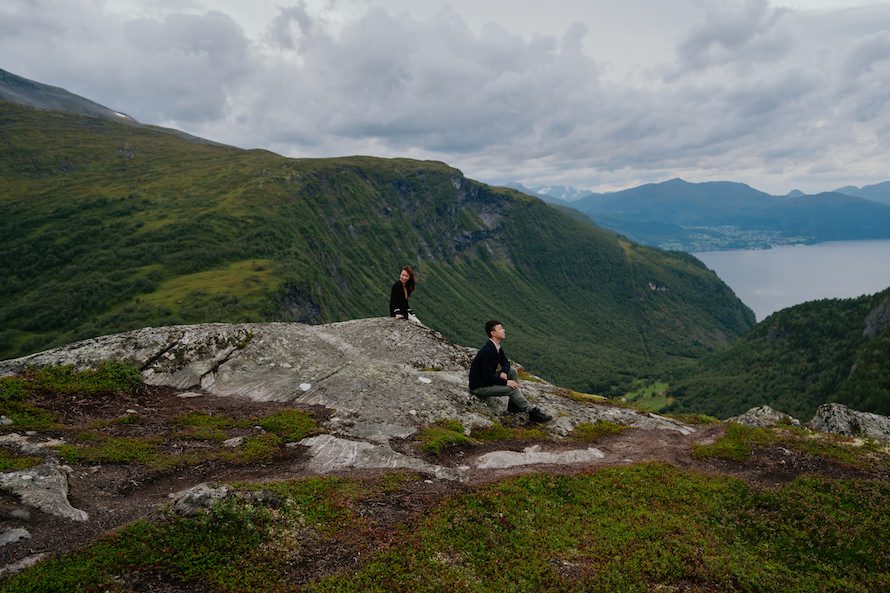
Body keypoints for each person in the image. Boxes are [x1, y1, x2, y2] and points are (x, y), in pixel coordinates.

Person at [469, 320, 552, 423]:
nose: (504, 330)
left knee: (512, 371)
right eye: (500, 328)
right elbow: (487, 376)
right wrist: (506, 382)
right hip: (479, 386)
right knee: (511, 389)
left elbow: (506, 362)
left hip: (485, 381)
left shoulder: (496, 347)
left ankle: (513, 404)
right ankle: (531, 412)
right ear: (493, 333)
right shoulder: (488, 351)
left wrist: (504, 371)